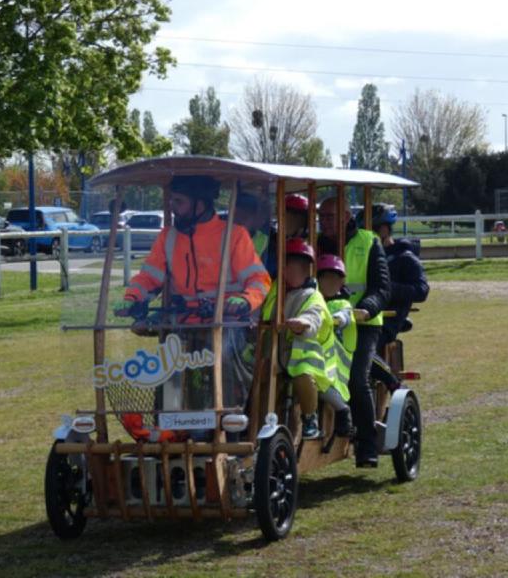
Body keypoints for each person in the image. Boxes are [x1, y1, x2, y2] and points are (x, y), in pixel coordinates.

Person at [116, 174, 271, 407]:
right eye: (172, 202)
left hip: (228, 319)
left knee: (225, 357)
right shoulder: (168, 236)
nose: (173, 208)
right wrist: (132, 298)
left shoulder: (233, 234)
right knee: (167, 362)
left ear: (201, 203)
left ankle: (229, 420)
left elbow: (258, 279)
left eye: (179, 202)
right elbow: (150, 277)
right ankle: (169, 420)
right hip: (185, 318)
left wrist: (246, 300)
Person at [317, 197, 390, 468]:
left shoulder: (369, 242)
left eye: (330, 216)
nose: (324, 222)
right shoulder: (315, 244)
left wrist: (366, 310)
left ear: (347, 215)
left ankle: (367, 443)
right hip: (325, 323)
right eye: (321, 217)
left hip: (363, 325)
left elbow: (382, 288)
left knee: (356, 378)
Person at [261, 238, 350, 439]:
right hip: (276, 352)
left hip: (315, 361)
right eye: (284, 265)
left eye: (292, 266)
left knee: (302, 372)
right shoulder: (276, 288)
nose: (286, 271)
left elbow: (315, 315)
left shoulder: (312, 295)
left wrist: (303, 323)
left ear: (305, 269)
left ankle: (310, 418)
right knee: (257, 375)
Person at [357, 204, 430, 351]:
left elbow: (422, 290)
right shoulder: (363, 255)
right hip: (362, 317)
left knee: (362, 351)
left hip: (387, 323)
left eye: (369, 230)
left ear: (384, 229)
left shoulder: (404, 258)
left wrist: (386, 288)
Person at [316, 254, 355, 436]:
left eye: (335, 278)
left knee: (319, 383)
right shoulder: (314, 300)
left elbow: (346, 315)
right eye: (325, 277)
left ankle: (342, 410)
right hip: (315, 352)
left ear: (341, 282)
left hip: (335, 361)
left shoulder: (342, 302)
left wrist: (336, 318)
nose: (330, 282)